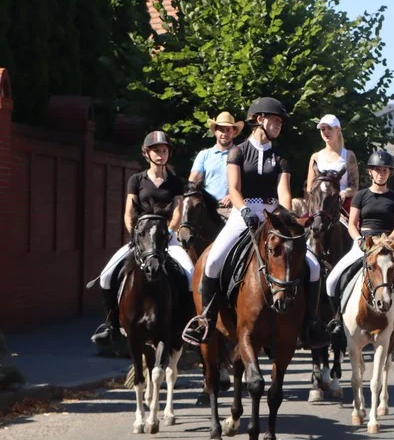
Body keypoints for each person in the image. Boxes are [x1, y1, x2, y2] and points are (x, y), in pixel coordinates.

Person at [181, 97, 328, 348]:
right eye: (275, 120)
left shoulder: (281, 157)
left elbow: (283, 192)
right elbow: (234, 189)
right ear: (260, 120)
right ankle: (206, 319)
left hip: (273, 213)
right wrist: (245, 209)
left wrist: (286, 213)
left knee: (313, 265)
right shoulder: (238, 152)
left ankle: (310, 324)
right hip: (244, 211)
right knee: (213, 260)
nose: (279, 125)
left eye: (281, 122)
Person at [91, 131, 195, 345]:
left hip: (168, 239)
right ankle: (111, 325)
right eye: (156, 150)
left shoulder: (176, 183)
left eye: (164, 150)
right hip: (141, 241)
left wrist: (167, 233)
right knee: (106, 275)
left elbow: (177, 211)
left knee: (190, 274)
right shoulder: (136, 180)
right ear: (146, 153)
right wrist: (136, 235)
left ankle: (186, 323)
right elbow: (129, 212)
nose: (161, 154)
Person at [324, 150, 394, 345]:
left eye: (385, 170)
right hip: (363, 243)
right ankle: (336, 319)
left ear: (389, 173)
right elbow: (352, 224)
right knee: (332, 279)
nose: (381, 173)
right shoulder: (360, 196)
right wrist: (360, 240)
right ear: (370, 172)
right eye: (377, 170)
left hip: (386, 245)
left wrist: (386, 241)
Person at [189, 111, 243, 216]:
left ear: (234, 132)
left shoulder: (241, 154)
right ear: (215, 132)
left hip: (232, 207)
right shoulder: (204, 155)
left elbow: (248, 180)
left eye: (228, 130)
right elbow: (192, 182)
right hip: (207, 208)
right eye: (221, 130)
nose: (224, 133)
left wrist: (234, 196)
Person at [305, 114, 359, 213]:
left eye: (329, 128)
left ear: (338, 130)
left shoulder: (348, 155)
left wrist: (344, 192)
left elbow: (354, 187)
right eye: (323, 129)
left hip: (342, 205)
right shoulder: (315, 157)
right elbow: (309, 188)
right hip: (319, 206)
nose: (326, 132)